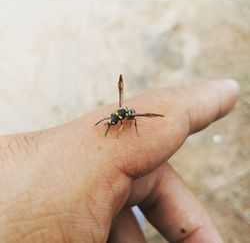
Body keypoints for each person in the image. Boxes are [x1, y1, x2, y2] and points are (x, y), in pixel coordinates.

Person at [0, 79, 239, 243]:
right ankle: (136, 217)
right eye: (113, 120)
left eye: (114, 121)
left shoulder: (128, 117)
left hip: (134, 117)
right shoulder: (115, 114)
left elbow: (129, 118)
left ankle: (135, 216)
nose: (112, 122)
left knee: (134, 128)